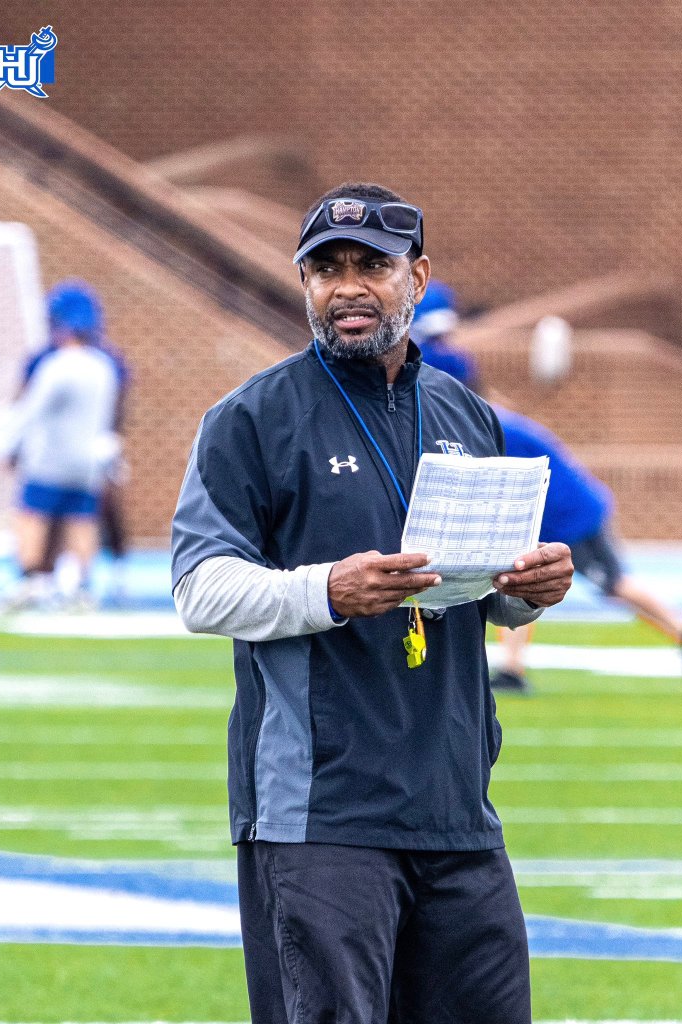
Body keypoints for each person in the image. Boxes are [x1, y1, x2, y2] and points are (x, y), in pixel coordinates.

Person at [172, 181, 574, 1024]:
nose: (347, 287)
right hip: (321, 814)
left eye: (371, 266)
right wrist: (328, 590)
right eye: (325, 268)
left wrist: (525, 595)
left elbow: (479, 596)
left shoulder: (465, 412)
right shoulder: (249, 417)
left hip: (456, 806)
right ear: (304, 283)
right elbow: (198, 587)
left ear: (417, 277)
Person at [412, 282, 682, 690]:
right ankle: (513, 669)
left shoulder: (467, 412)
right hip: (559, 508)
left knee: (612, 584)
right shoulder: (486, 415)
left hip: (570, 513)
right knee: (515, 576)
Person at [1, 281, 120, 610]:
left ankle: (30, 580)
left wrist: (5, 445)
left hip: (49, 459)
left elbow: (31, 411)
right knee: (81, 520)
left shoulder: (55, 366)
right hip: (86, 461)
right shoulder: (104, 367)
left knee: (32, 515)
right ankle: (82, 586)